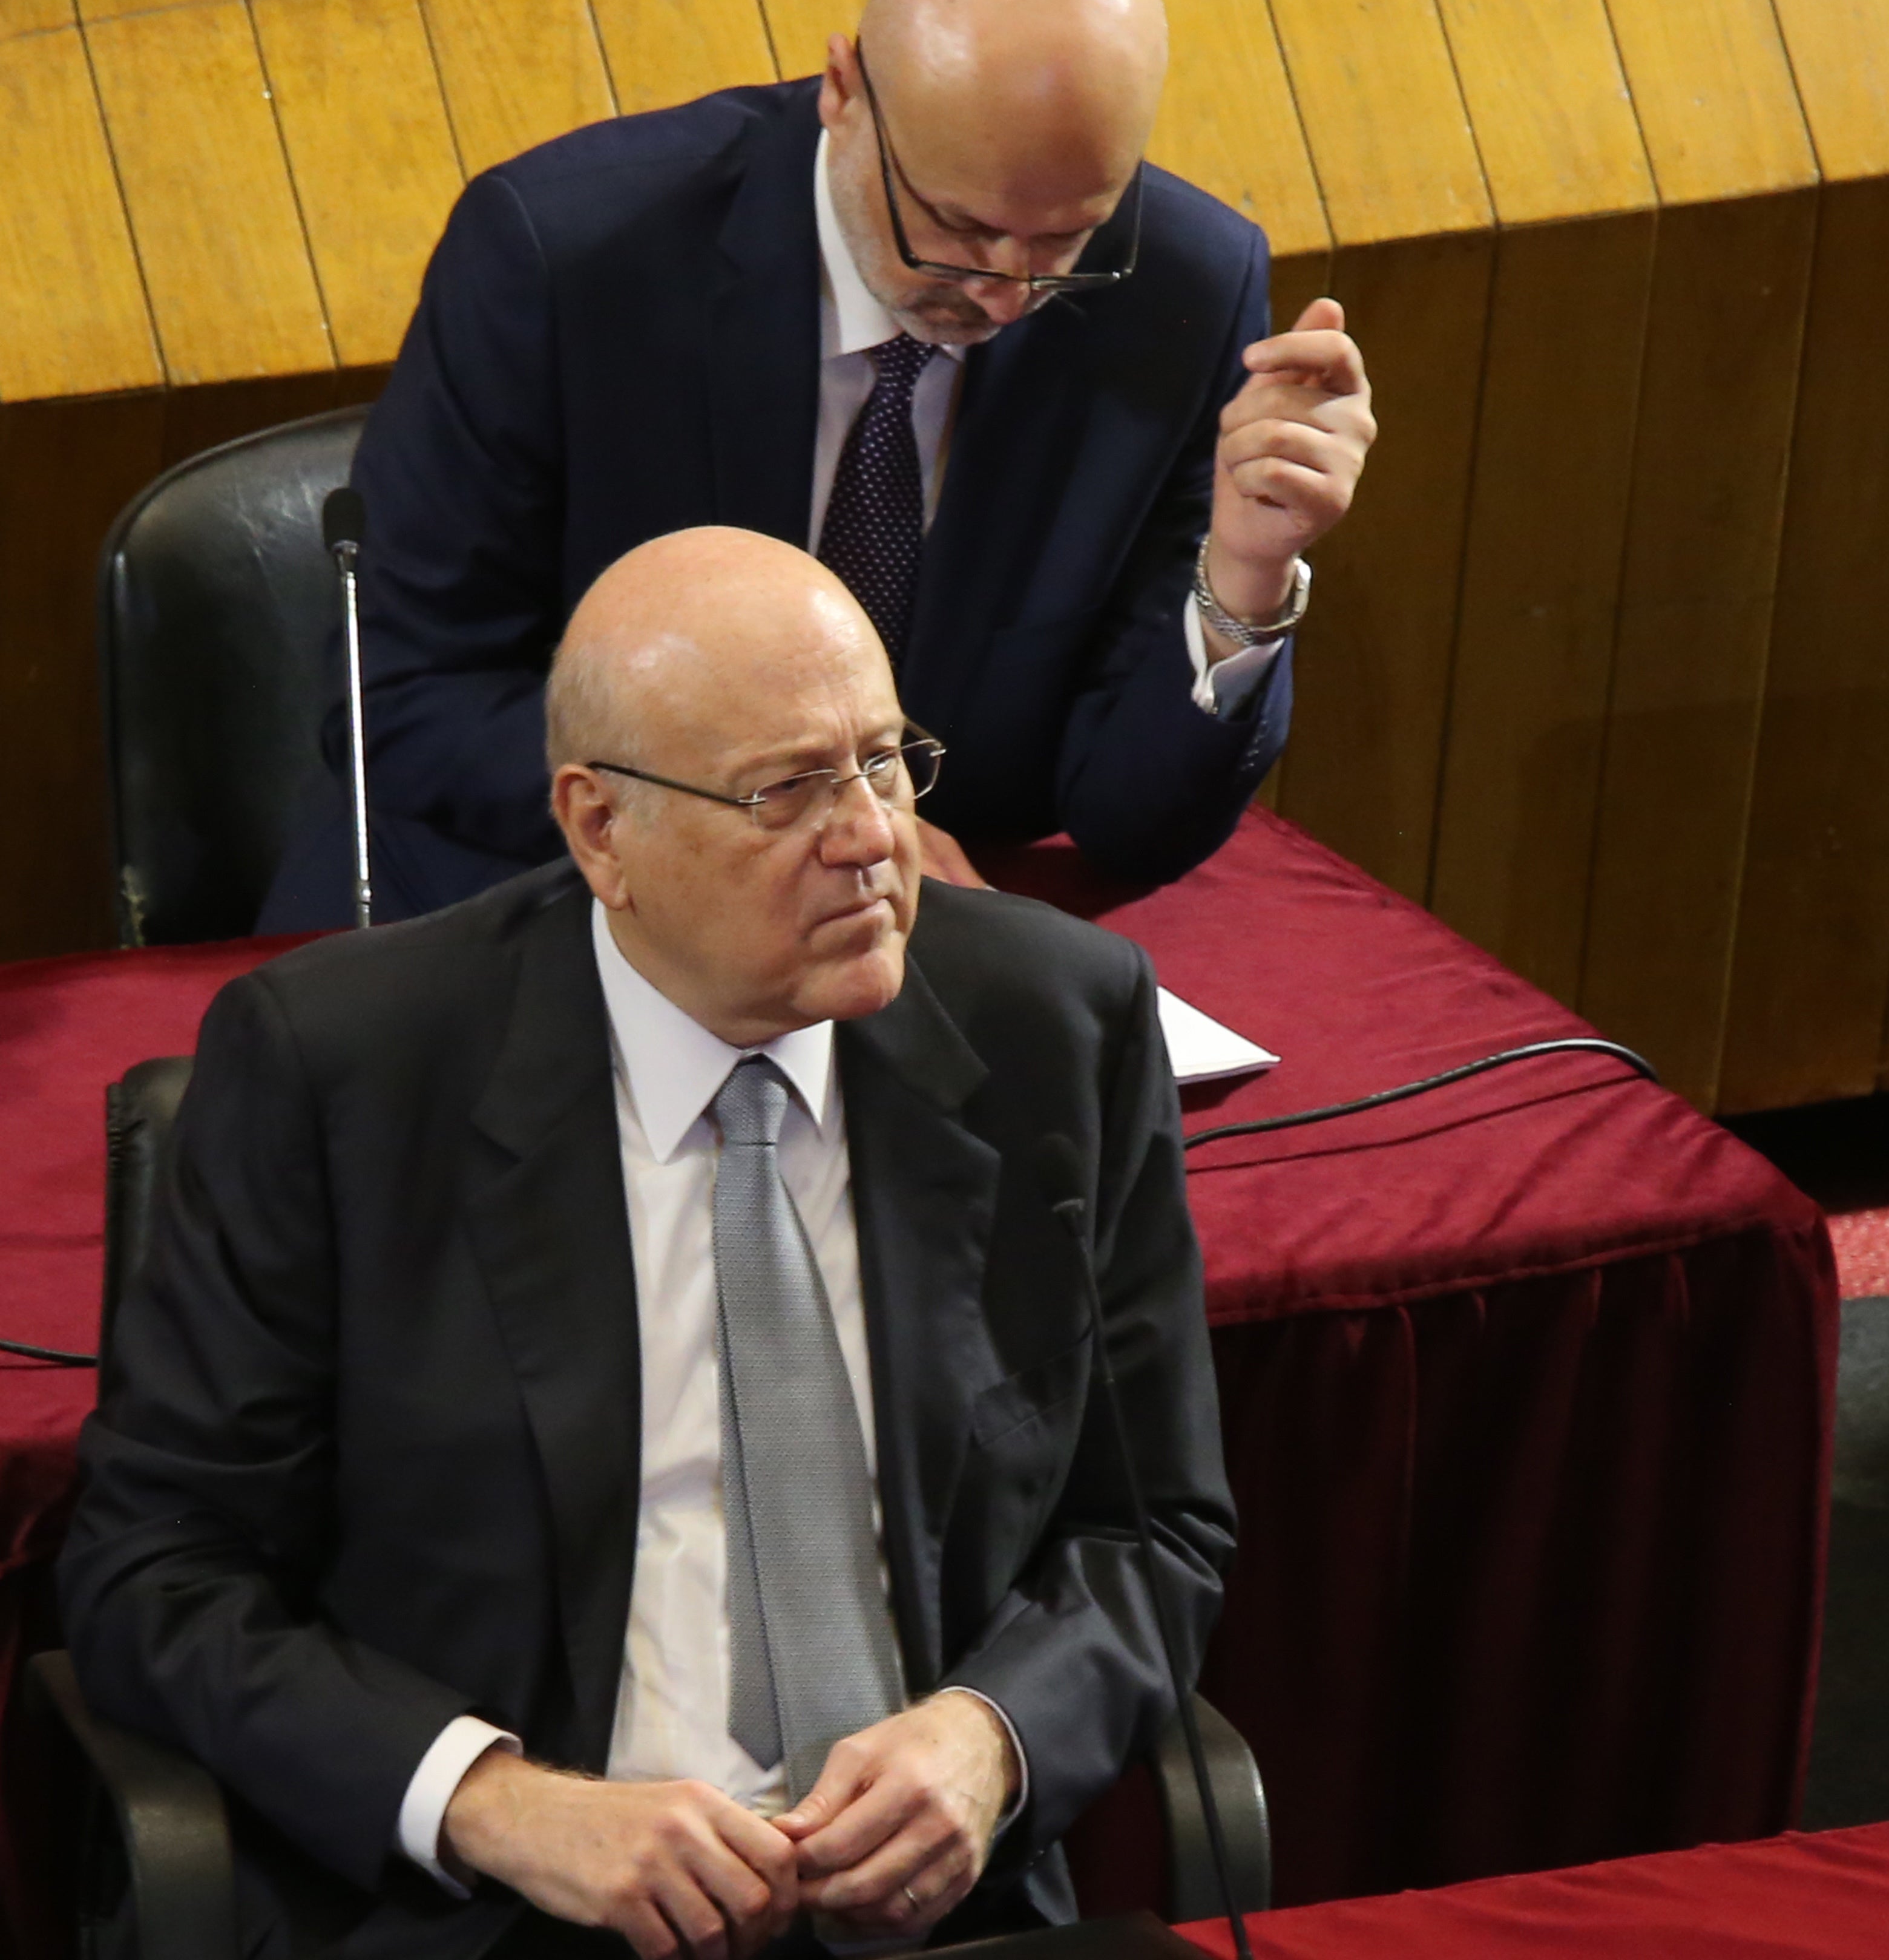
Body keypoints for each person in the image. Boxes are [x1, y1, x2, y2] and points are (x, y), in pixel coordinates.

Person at [67, 528, 1237, 1960]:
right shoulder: (341, 1075)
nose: (870, 833)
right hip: (497, 1912)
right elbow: (156, 1570)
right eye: (788, 789)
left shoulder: (1059, 1024)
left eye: (882, 759)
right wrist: (492, 1798)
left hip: (932, 1915)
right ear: (600, 827)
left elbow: (1152, 1528)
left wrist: (990, 1739)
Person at [260, 0, 1375, 931]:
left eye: (1065, 242)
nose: (1003, 290)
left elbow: (1135, 822)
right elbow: (400, 705)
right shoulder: (567, 260)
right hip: (538, 910)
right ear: (843, 91)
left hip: (909, 962)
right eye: (955, 226)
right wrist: (792, 824)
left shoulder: (1177, 289)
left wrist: (1244, 574)